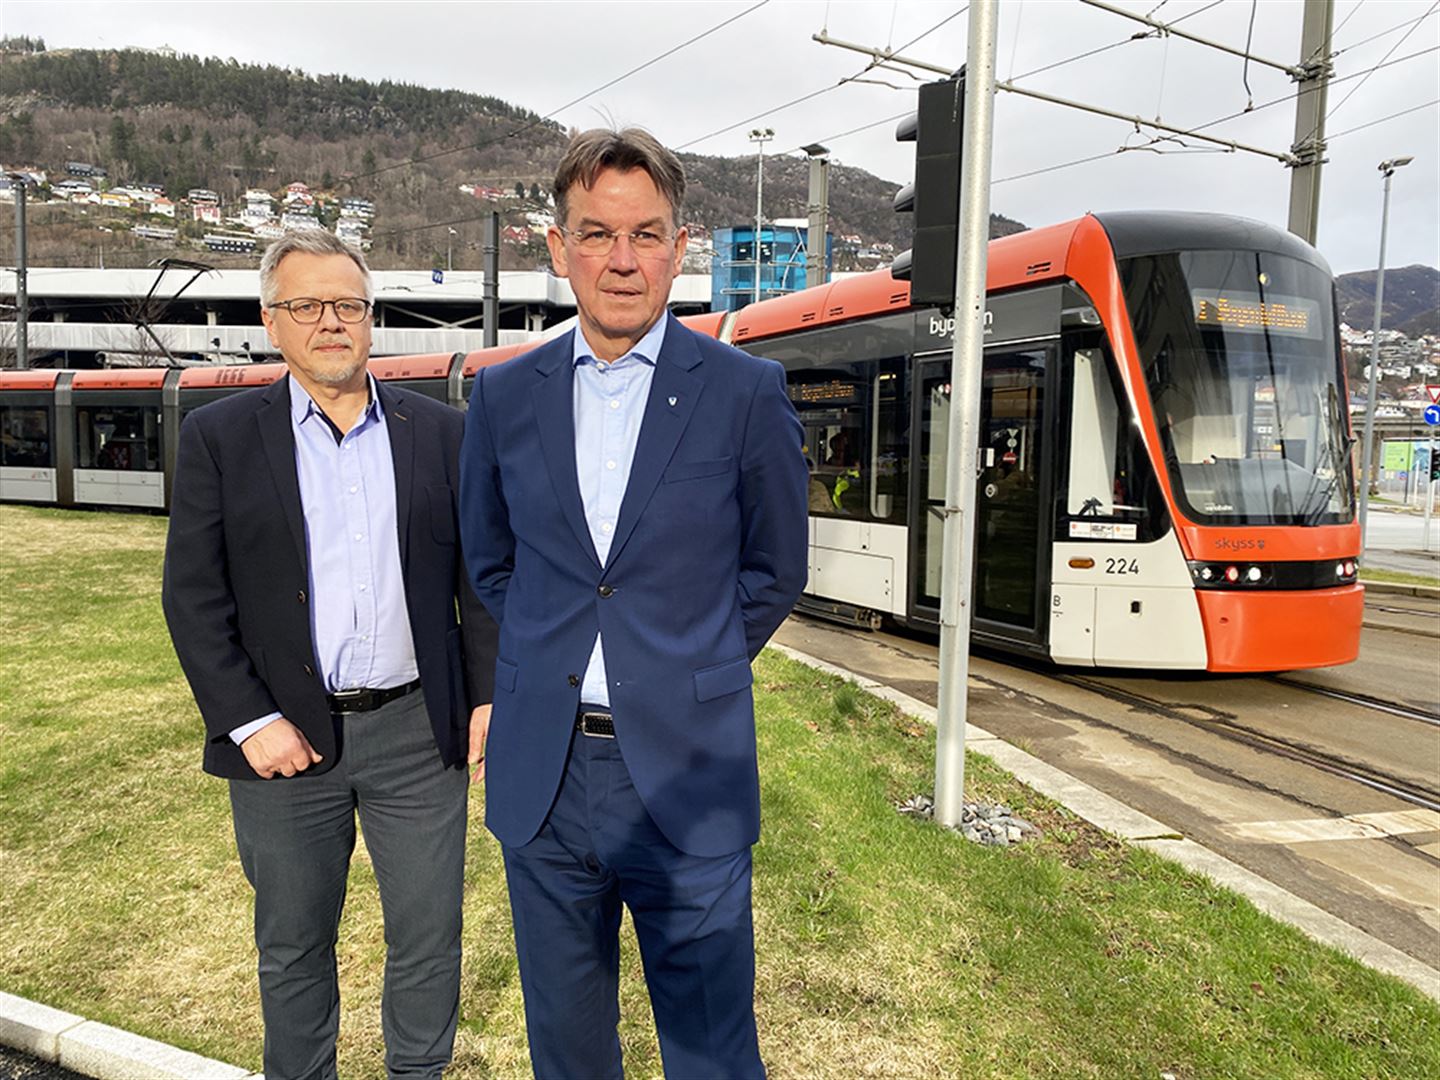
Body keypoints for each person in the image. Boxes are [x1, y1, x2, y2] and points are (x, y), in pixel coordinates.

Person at [459, 128, 808, 1078]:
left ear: (679, 246)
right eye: (598, 233)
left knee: (711, 1051)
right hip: (548, 772)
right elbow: (492, 567)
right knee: (567, 1051)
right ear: (557, 246)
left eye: (646, 234)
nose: (623, 260)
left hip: (687, 773)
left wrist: (687, 668)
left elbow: (776, 569)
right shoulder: (502, 397)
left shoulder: (745, 392)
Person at [161, 230, 497, 1080]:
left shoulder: (442, 433)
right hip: (287, 742)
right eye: (306, 305)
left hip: (421, 736)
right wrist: (248, 721)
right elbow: (194, 598)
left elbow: (481, 580)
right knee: (293, 945)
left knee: (428, 941)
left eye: (347, 304)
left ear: (370, 318)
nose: (330, 322)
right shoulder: (220, 437)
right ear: (272, 322)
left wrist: (487, 696)